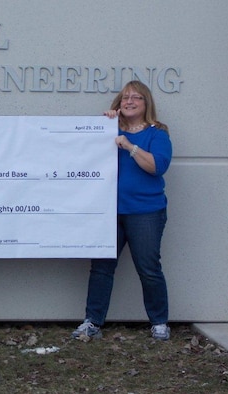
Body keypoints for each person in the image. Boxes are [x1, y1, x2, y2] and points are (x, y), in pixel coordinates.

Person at [72, 80, 172, 341]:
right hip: (108, 212)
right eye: (125, 97)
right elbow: (81, 151)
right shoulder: (109, 129)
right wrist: (102, 124)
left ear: (146, 103)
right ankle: (92, 321)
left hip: (145, 212)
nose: (129, 101)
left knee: (148, 268)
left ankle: (160, 322)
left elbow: (157, 167)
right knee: (102, 267)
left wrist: (129, 146)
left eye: (136, 98)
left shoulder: (157, 133)